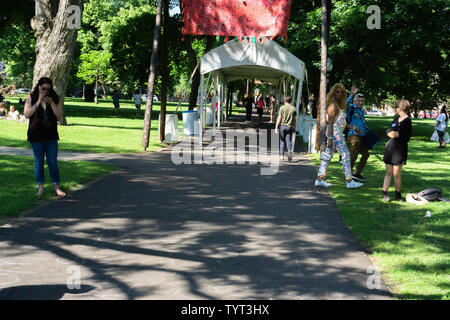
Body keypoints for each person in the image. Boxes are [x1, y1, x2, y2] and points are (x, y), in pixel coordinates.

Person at [315, 84, 364, 189]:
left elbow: (341, 123)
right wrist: (330, 140)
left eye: (342, 92)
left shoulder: (338, 105)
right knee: (346, 155)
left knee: (327, 157)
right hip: (335, 134)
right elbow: (331, 124)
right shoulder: (332, 105)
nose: (340, 94)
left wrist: (353, 128)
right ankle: (349, 181)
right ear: (333, 92)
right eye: (337, 91)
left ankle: (320, 179)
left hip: (336, 133)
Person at [24, 77, 66, 197]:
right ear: (38, 87)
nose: (46, 91)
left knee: (52, 162)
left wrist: (52, 103)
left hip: (51, 135)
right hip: (36, 134)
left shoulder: (54, 98)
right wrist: (38, 102)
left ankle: (57, 187)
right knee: (39, 162)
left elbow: (59, 116)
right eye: (43, 89)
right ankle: (40, 187)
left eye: (48, 89)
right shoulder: (31, 98)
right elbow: (27, 114)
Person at [382, 100, 412, 202]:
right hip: (390, 148)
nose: (396, 108)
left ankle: (398, 194)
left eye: (397, 106)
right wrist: (392, 133)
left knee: (396, 173)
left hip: (400, 149)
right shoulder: (396, 119)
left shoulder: (407, 121)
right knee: (388, 172)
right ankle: (384, 193)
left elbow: (397, 134)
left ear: (401, 108)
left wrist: (392, 133)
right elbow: (388, 131)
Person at [346, 85, 369, 181]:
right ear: (354, 101)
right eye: (359, 101)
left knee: (366, 154)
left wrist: (365, 127)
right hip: (353, 136)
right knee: (353, 155)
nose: (360, 102)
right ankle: (348, 175)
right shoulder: (351, 108)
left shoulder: (361, 111)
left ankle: (357, 173)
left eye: (362, 101)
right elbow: (346, 104)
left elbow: (360, 122)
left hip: (362, 136)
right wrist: (351, 94)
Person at [275, 96, 296, 161]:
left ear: (285, 101)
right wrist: (294, 128)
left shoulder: (282, 108)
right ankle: (289, 150)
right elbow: (295, 120)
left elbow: (279, 118)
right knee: (288, 140)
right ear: (290, 101)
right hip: (289, 127)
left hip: (282, 126)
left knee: (282, 141)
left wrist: (276, 127)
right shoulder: (293, 108)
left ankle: (282, 156)